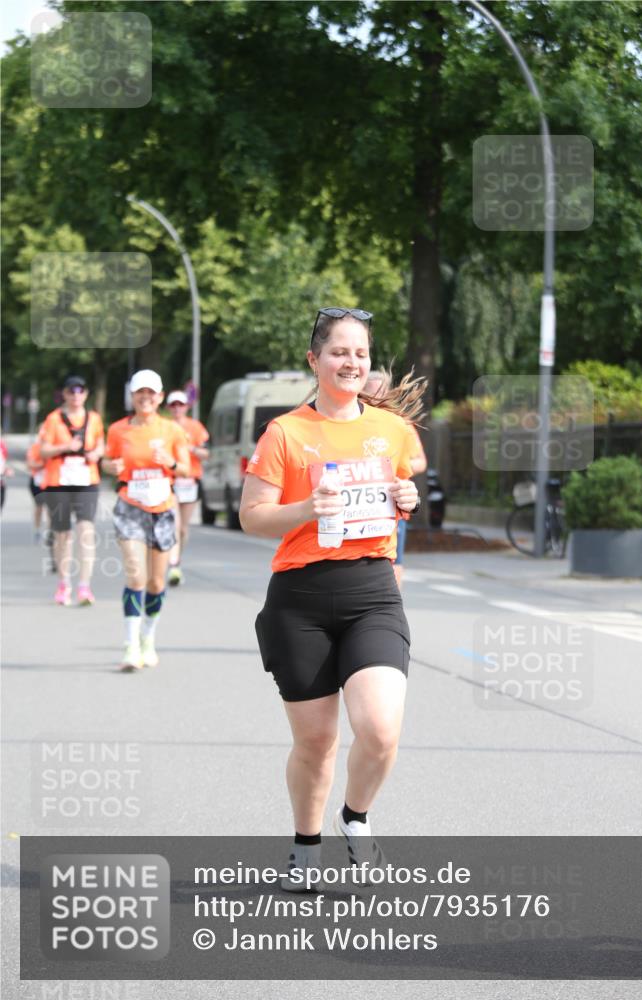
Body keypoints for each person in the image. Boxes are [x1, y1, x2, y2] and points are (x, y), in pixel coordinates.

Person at [239, 306, 423, 890]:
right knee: (316, 741)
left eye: (361, 353)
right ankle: (305, 844)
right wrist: (304, 509)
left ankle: (356, 816)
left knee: (381, 728)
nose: (351, 362)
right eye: (339, 352)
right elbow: (251, 516)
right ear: (314, 360)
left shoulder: (391, 430)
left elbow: (402, 488)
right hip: (300, 598)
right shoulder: (286, 432)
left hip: (372, 590)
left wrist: (406, 497)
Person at [103, 370, 190, 672]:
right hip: (130, 505)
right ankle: (129, 645)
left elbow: (187, 469)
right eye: (140, 392)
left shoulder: (172, 431)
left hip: (162, 507)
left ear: (160, 397)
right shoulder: (117, 430)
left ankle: (147, 638)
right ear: (132, 396)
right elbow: (106, 460)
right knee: (136, 576)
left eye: (151, 393)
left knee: (155, 582)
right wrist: (109, 466)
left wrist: (171, 462)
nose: (146, 397)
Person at [38, 376, 105, 606]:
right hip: (58, 481)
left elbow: (100, 444)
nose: (76, 395)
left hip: (87, 480)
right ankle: (63, 583)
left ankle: (84, 587)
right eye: (71, 391)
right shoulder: (53, 420)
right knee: (62, 535)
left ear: (86, 394)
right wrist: (66, 447)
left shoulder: (94, 419)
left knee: (86, 531)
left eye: (80, 391)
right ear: (65, 394)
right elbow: (43, 450)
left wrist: (96, 453)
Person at [365, 368, 427, 588]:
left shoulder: (400, 424)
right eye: (369, 394)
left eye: (379, 393)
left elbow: (420, 461)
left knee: (393, 562)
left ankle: (391, 606)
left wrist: (389, 469)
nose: (375, 399)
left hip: (392, 507)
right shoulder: (352, 422)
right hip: (362, 509)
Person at [164, 389, 210, 586]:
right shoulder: (163, 427)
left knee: (183, 529)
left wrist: (189, 448)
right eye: (173, 405)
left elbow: (206, 453)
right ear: (168, 407)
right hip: (170, 480)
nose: (177, 408)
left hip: (190, 480)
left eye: (180, 405)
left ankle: (177, 560)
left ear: (186, 407)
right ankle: (172, 564)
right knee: (173, 526)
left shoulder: (195, 427)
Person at [26, 430, 56, 572]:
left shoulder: (54, 446)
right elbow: (31, 464)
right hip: (37, 482)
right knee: (39, 507)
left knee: (51, 510)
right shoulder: (35, 447)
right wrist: (44, 464)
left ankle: (50, 531)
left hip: (51, 483)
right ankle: (38, 530)